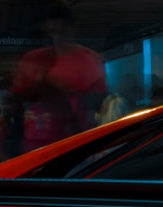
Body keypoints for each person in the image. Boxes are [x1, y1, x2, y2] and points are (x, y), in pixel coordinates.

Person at [11, 2, 107, 153]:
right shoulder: (32, 60)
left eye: (62, 32)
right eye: (51, 32)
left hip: (74, 144)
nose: (56, 38)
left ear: (73, 29)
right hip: (34, 146)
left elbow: (96, 103)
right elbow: (17, 101)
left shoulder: (90, 60)